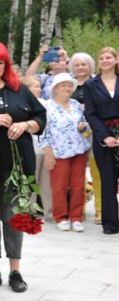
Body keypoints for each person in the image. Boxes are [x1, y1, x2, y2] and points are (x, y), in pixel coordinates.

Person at [0, 41, 45, 294]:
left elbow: (41, 118)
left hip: (19, 167)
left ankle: (15, 271)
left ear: (6, 64)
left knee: (15, 218)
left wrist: (25, 126)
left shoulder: (19, 90)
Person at [41, 73, 91, 233]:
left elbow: (83, 123)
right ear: (55, 88)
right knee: (59, 186)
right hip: (58, 152)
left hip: (79, 149)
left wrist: (83, 127)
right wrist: (47, 151)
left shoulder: (76, 104)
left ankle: (76, 218)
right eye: (63, 85)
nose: (67, 88)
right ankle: (61, 217)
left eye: (70, 86)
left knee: (78, 185)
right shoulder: (47, 106)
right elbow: (42, 131)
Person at [83, 47, 119, 235]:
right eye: (102, 58)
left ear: (116, 60)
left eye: (108, 57)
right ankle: (111, 223)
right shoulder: (91, 84)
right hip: (102, 135)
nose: (105, 61)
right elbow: (90, 113)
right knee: (108, 179)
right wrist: (105, 136)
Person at [70, 52, 102, 224]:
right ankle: (77, 211)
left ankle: (100, 210)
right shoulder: (68, 85)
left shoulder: (98, 83)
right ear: (72, 68)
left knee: (98, 173)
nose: (81, 67)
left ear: (91, 66)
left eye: (84, 64)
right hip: (74, 135)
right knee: (77, 175)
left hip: (95, 132)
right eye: (77, 64)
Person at [22, 75, 54, 220]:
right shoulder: (21, 104)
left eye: (39, 86)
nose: (39, 89)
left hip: (45, 149)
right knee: (30, 180)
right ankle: (29, 210)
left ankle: (50, 212)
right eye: (35, 86)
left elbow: (49, 127)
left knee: (46, 183)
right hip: (30, 149)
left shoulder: (45, 104)